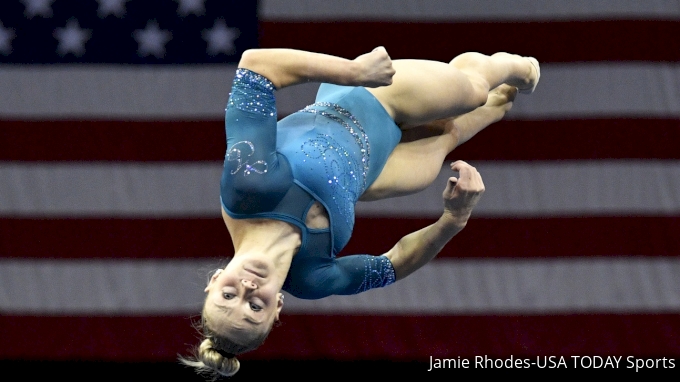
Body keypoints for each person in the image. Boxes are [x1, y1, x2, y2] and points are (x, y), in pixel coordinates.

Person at [181, 47, 540, 377]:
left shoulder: (248, 186)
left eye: (228, 296)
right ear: (277, 308)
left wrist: (353, 71)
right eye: (255, 307)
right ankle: (496, 104)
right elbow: (392, 266)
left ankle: (517, 68)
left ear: (214, 281)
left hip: (371, 98)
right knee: (448, 134)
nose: (247, 288)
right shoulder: (311, 278)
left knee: (474, 90)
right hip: (371, 170)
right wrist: (453, 220)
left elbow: (256, 68)